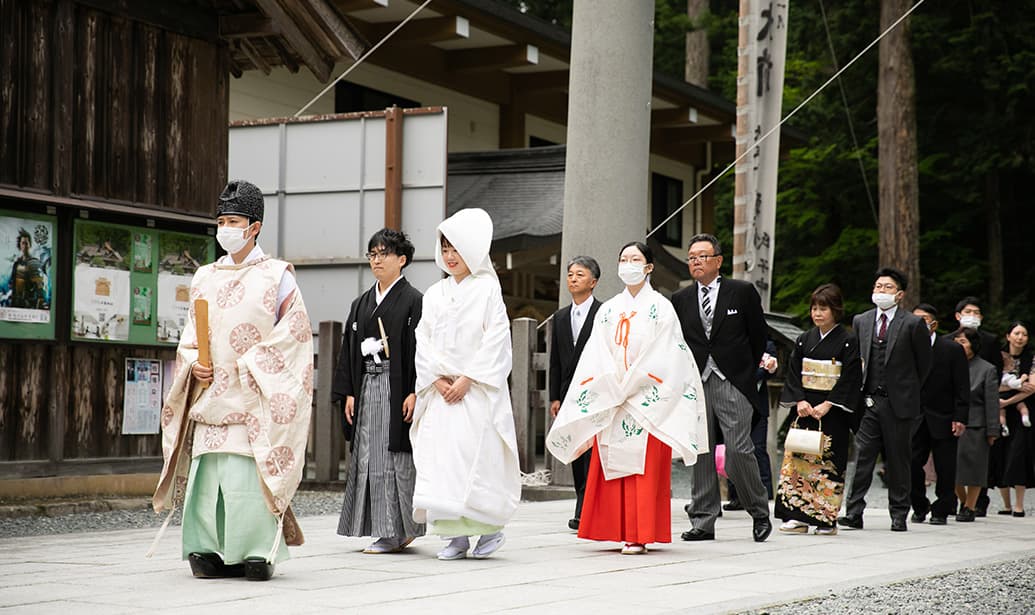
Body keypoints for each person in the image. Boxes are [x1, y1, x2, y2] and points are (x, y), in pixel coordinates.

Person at [151, 180, 313, 580]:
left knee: (245, 478)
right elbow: (190, 336)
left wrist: (252, 363)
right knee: (207, 482)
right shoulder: (205, 276)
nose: (225, 228)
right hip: (211, 397)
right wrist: (193, 363)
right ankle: (206, 548)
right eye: (221, 221)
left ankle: (257, 551)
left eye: (234, 221)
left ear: (254, 227)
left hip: (252, 397)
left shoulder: (278, 277)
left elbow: (294, 337)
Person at [548, 241, 706, 555]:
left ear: (648, 267)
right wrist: (612, 383)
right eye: (623, 259)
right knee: (612, 462)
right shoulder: (608, 309)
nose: (628, 264)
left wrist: (634, 382)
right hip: (614, 395)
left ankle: (639, 533)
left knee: (643, 469)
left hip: (646, 399)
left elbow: (668, 353)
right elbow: (595, 353)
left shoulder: (661, 307)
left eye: (635, 259)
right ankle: (615, 529)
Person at [410, 208, 521, 561]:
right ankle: (454, 536)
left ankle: (489, 530)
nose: (450, 256)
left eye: (456, 249)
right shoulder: (434, 293)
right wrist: (437, 379)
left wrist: (468, 378)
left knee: (478, 459)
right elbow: (423, 339)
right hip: (441, 392)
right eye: (445, 249)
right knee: (442, 462)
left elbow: (496, 339)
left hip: (474, 391)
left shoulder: (487, 289)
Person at [672, 233, 772, 543]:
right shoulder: (680, 299)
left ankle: (759, 511)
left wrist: (746, 372)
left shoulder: (741, 292)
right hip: (696, 381)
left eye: (702, 256)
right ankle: (703, 519)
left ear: (718, 260)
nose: (696, 262)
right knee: (701, 451)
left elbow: (758, 336)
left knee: (739, 450)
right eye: (691, 257)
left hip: (733, 381)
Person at [332, 229, 425, 553]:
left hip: (395, 386)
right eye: (372, 254)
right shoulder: (361, 304)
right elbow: (348, 350)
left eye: (384, 254)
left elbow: (420, 351)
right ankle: (380, 527)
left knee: (392, 457)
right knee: (367, 456)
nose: (376, 260)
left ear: (402, 260)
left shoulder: (414, 301)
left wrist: (415, 390)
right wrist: (349, 392)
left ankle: (397, 531)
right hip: (366, 385)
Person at [838, 267, 932, 532]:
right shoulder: (862, 320)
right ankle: (853, 512)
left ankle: (899, 514)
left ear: (899, 294)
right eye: (878, 286)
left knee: (898, 460)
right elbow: (857, 360)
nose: (881, 291)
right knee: (862, 458)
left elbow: (924, 365)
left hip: (898, 403)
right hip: (868, 402)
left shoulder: (912, 324)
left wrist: (907, 391)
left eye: (888, 287)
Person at [775, 284, 862, 536]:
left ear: (836, 310)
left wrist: (828, 404)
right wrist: (800, 400)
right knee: (798, 460)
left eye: (823, 308)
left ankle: (825, 519)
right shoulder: (804, 339)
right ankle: (796, 516)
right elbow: (793, 372)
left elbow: (850, 377)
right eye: (814, 308)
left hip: (832, 410)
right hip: (805, 408)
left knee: (828, 462)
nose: (817, 313)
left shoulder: (848, 341)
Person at [548, 256, 603, 531]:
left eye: (580, 275)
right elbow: (555, 361)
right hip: (569, 396)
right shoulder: (560, 317)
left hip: (596, 394)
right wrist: (555, 397)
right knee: (576, 451)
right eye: (570, 274)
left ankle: (588, 509)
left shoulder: (604, 314)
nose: (573, 279)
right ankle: (582, 505)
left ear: (593, 282)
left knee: (593, 453)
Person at [909, 304, 969, 526]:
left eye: (923, 320)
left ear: (933, 324)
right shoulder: (906, 348)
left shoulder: (952, 349)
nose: (917, 324)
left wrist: (960, 416)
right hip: (914, 416)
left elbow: (962, 386)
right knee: (911, 463)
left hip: (944, 415)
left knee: (945, 466)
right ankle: (919, 505)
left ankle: (942, 509)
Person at [952, 327, 999, 522]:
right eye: (957, 342)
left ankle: (970, 506)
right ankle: (963, 501)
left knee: (974, 469)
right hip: (950, 423)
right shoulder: (949, 365)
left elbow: (992, 402)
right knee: (950, 468)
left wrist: (992, 430)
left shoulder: (987, 369)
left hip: (976, 425)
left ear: (973, 344)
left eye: (963, 342)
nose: (959, 345)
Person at [725, 340, 778, 510]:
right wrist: (760, 370)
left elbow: (770, 372)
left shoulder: (767, 345)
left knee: (758, 449)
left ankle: (766, 493)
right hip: (732, 404)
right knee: (733, 449)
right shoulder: (732, 341)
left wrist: (768, 369)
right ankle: (736, 496)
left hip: (758, 406)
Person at [991, 321, 1035, 516]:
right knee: (999, 452)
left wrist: (1007, 402)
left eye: (1024, 334)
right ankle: (1006, 504)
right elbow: (992, 383)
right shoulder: (997, 356)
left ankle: (1019, 505)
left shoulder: (1031, 358)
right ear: (1008, 336)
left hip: (1021, 410)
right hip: (997, 407)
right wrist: (1014, 387)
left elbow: (1032, 388)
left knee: (1019, 453)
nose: (1020, 337)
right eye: (1016, 333)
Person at [9, 228, 47, 309]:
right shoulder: (16, 264)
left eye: (26, 243)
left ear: (30, 245)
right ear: (20, 245)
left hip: (28, 304)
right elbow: (12, 282)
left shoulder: (34, 262)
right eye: (23, 243)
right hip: (15, 302)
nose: (25, 246)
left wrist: (39, 300)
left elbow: (39, 285)